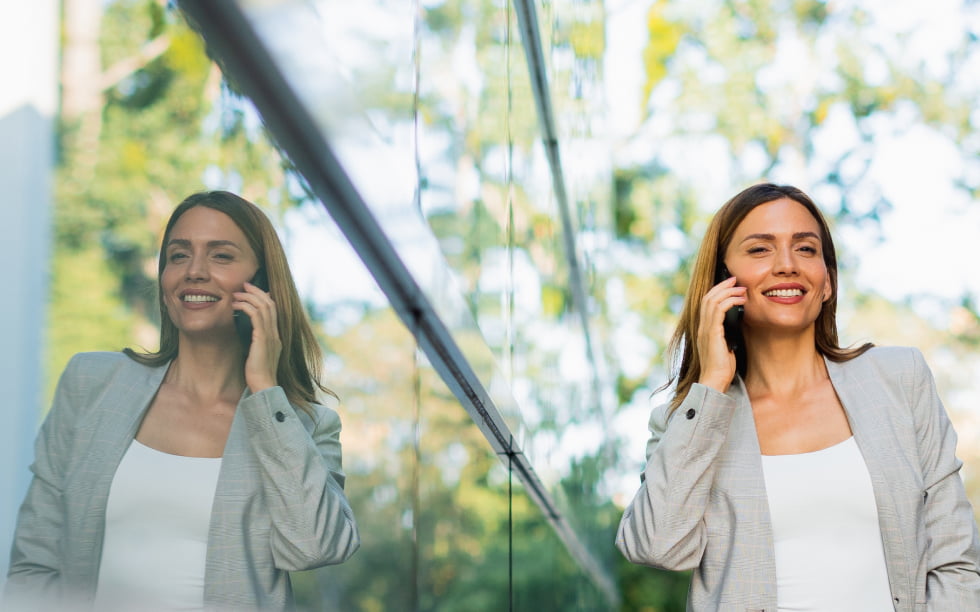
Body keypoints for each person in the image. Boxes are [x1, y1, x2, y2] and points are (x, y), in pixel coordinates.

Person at [616, 183, 980, 611]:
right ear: (722, 283)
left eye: (806, 249)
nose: (787, 265)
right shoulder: (690, 420)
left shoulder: (899, 379)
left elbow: (955, 558)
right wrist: (712, 383)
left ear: (826, 282)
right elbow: (658, 547)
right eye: (760, 250)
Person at [4, 191, 359, 611]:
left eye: (221, 256)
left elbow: (314, 547)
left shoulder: (302, 425)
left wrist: (265, 389)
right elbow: (35, 558)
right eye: (178, 255)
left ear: (261, 285)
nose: (194, 271)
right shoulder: (91, 384)